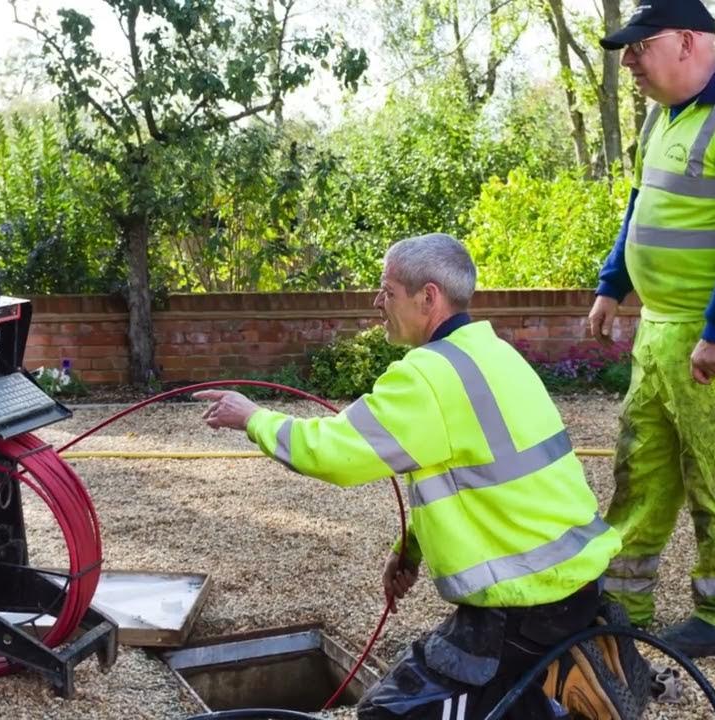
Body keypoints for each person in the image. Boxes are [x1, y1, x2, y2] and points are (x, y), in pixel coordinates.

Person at [197, 233, 650, 719]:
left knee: (387, 714)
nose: (377, 303)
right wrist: (409, 549)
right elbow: (483, 482)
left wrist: (252, 418)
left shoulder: (430, 376)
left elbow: (334, 452)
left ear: (428, 297)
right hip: (575, 586)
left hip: (524, 608)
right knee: (497, 701)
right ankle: (554, 676)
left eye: (386, 291)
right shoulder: (497, 356)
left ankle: (551, 681)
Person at [588, 0, 715, 658]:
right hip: (661, 331)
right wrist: (613, 285)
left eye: (640, 47)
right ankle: (621, 601)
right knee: (640, 470)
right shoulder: (659, 117)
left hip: (711, 338)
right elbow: (641, 208)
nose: (629, 60)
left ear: (686, 42)